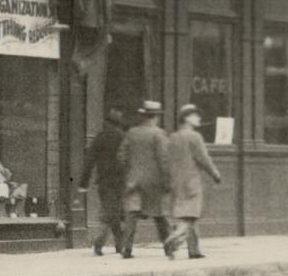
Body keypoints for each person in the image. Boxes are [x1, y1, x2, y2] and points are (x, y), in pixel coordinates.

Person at [164, 104, 222, 260]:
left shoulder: (172, 137)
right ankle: (174, 237)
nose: (199, 118)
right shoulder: (195, 136)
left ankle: (194, 250)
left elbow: (166, 160)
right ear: (187, 118)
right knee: (192, 215)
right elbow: (203, 158)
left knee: (187, 214)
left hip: (176, 182)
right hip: (191, 181)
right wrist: (215, 173)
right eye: (195, 115)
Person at [118, 100, 171, 257]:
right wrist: (167, 181)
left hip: (133, 180)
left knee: (132, 215)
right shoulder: (159, 134)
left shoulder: (132, 132)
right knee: (160, 216)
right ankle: (168, 249)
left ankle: (126, 249)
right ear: (156, 117)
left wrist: (130, 171)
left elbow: (121, 155)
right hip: (153, 183)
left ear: (143, 116)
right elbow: (165, 160)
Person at [78, 108, 127, 256]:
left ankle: (118, 243)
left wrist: (83, 183)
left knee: (111, 210)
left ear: (106, 122)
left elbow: (89, 161)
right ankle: (100, 244)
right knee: (112, 212)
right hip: (120, 181)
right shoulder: (123, 137)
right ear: (119, 123)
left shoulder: (99, 138)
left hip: (104, 181)